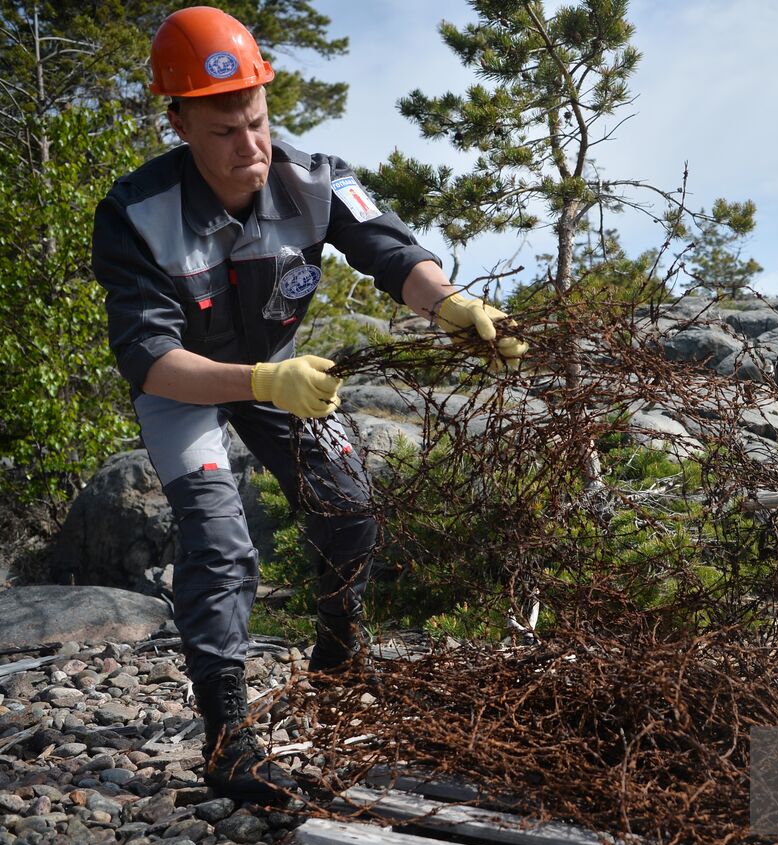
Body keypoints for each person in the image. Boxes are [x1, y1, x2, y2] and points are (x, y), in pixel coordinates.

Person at [92, 6, 525, 803]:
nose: (250, 147)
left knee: (351, 506)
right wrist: (258, 382)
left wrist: (455, 306)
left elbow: (387, 250)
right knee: (222, 546)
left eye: (256, 121)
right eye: (224, 132)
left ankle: (338, 651)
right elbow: (150, 359)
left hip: (279, 372)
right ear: (178, 120)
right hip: (189, 386)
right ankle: (228, 740)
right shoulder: (132, 214)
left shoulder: (316, 176)